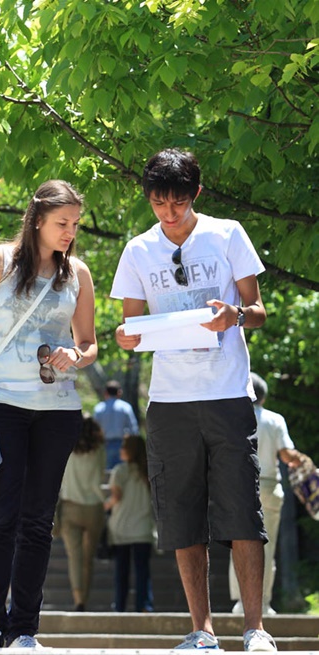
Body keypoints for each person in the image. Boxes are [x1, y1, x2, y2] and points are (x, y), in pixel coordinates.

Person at [112, 149, 273, 651]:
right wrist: (124, 337)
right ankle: (201, 631)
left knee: (242, 509)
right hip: (169, 399)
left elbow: (259, 310)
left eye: (178, 202)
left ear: (196, 194)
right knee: (181, 512)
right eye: (159, 202)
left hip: (227, 392)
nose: (169, 213)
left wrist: (236, 316)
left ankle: (255, 629)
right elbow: (129, 324)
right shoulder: (138, 250)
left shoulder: (227, 234)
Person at [0, 180, 97, 649]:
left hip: (57, 409)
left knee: (38, 521)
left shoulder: (77, 271)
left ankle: (24, 631)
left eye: (75, 224)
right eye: (62, 223)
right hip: (1, 407)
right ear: (37, 219)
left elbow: (89, 343)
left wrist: (75, 356)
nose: (69, 232)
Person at [229, 372, 307, 615]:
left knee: (238, 545)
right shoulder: (275, 420)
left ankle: (241, 603)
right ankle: (263, 603)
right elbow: (287, 455)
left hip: (238, 486)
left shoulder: (232, 418)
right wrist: (305, 462)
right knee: (267, 546)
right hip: (269, 487)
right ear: (263, 396)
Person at [58, 414, 107, 611]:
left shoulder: (65, 448)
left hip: (70, 507)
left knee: (74, 557)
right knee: (88, 557)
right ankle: (84, 598)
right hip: (94, 507)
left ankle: (78, 598)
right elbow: (98, 480)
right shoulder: (99, 451)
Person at [104, 435, 155, 613]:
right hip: (143, 528)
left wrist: (105, 506)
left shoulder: (120, 471)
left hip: (121, 529)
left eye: (124, 446)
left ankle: (120, 607)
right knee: (142, 571)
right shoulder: (149, 471)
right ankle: (144, 605)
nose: (120, 449)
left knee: (121, 573)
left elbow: (116, 497)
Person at [93, 380, 139, 470]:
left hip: (104, 445)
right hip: (123, 446)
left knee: (106, 475)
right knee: (123, 473)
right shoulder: (125, 407)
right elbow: (133, 429)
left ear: (105, 393)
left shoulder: (99, 409)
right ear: (119, 393)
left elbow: (94, 430)